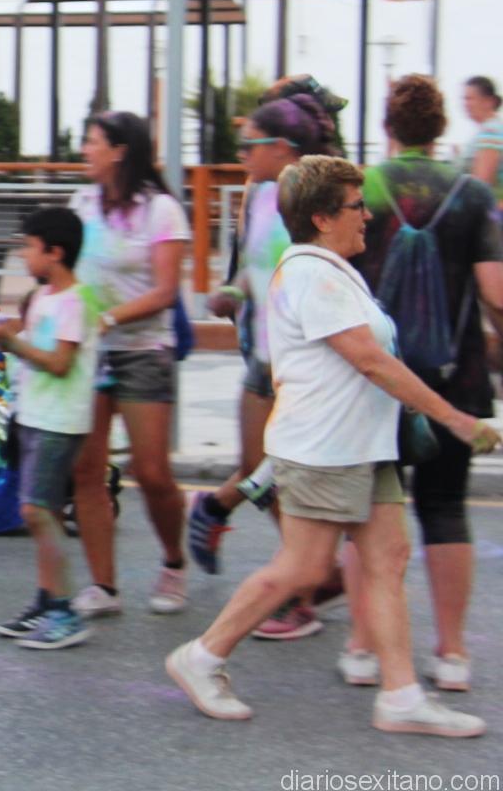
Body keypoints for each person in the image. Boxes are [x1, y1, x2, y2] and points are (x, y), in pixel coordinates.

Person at [166, 156, 499, 737]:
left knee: (388, 558)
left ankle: (400, 697)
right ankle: (201, 656)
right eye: (355, 206)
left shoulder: (335, 271)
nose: (367, 215)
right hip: (324, 448)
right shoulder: (310, 275)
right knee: (305, 567)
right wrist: (454, 419)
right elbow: (371, 361)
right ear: (322, 217)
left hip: (362, 446)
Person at [346, 75, 503, 693]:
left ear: (389, 127)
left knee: (367, 510)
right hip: (454, 377)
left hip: (374, 374)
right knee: (445, 508)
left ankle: (363, 646)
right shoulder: (472, 195)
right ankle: (453, 653)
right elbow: (494, 292)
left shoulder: (363, 189)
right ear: (441, 130)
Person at [188, 93, 341, 640]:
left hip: (308, 361)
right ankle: (315, 574)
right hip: (263, 355)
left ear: (282, 147)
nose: (242, 154)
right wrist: (231, 291)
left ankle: (302, 590)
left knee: (289, 478)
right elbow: (253, 268)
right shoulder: (256, 194)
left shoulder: (318, 198)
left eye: (250, 144)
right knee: (260, 469)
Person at [66, 111, 191, 618]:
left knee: (153, 473)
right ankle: (104, 586)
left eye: (92, 142)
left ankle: (174, 562)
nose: (85, 150)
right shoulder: (81, 203)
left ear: (119, 150)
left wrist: (110, 319)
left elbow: (165, 292)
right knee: (86, 471)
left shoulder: (161, 210)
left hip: (143, 351)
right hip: (89, 354)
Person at [0, 207, 98, 649]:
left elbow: (59, 362)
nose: (23, 255)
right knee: (42, 512)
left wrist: (13, 343)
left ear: (55, 252)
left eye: (30, 247)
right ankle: (47, 600)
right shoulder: (43, 297)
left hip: (60, 420)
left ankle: (64, 611)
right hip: (34, 415)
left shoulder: (77, 301)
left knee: (37, 511)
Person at [462, 75, 502, 212]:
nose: (465, 104)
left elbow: (482, 184)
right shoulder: (492, 130)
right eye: (464, 99)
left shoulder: (491, 132)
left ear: (488, 101)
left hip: (488, 216)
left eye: (469, 98)